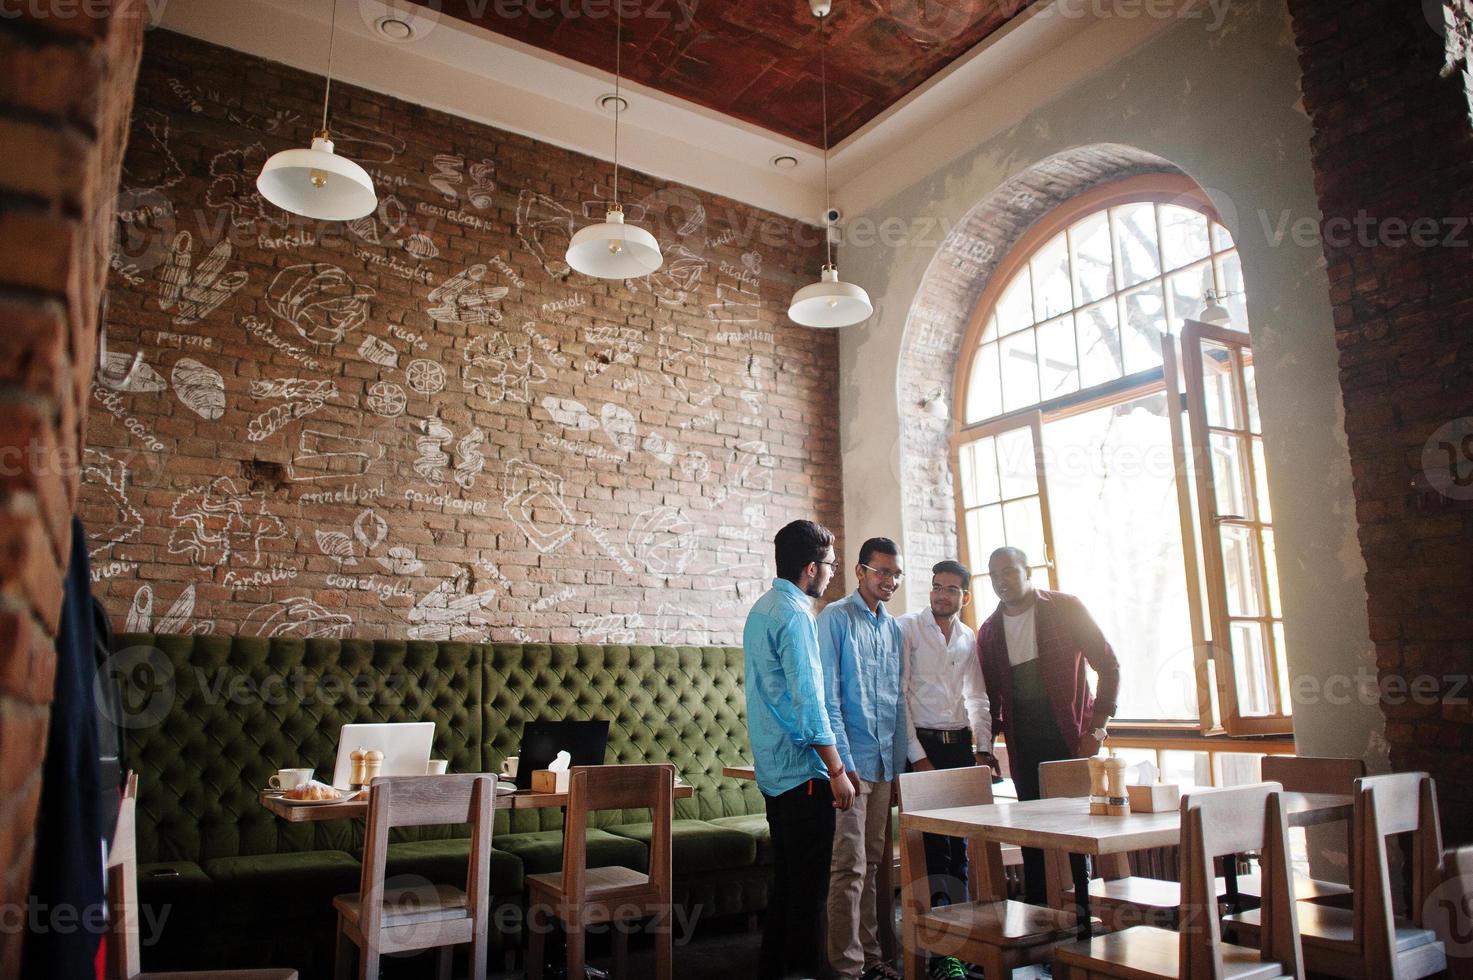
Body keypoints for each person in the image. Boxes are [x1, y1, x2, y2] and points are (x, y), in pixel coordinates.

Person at [976, 546, 1121, 906]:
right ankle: (1041, 923)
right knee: (1033, 838)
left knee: (1077, 835)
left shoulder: (1065, 608)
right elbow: (991, 698)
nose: (1001, 581)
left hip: (1071, 740)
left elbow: (1109, 665)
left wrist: (1097, 730)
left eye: (1009, 571)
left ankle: (1084, 917)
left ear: (1029, 572)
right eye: (994, 576)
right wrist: (985, 748)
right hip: (1024, 749)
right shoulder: (990, 630)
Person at [744, 519, 856, 980]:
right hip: (804, 773)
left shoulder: (761, 608)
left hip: (773, 772)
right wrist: (837, 769)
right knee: (808, 891)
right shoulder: (794, 615)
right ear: (811, 568)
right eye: (829, 565)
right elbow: (810, 704)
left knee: (787, 883)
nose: (832, 574)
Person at [818, 537, 907, 980]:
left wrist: (899, 767)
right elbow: (828, 700)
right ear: (860, 571)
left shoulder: (894, 629)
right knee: (849, 868)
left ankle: (872, 960)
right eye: (881, 572)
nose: (889, 580)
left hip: (885, 765)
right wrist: (845, 766)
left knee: (875, 866)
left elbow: (897, 703)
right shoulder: (834, 619)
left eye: (895, 574)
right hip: (850, 767)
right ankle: (846, 968)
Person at [898, 560, 989, 980]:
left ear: (964, 598)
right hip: (924, 747)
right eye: (936, 587)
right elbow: (898, 697)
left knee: (961, 852)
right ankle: (941, 956)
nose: (941, 595)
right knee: (934, 852)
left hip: (961, 749)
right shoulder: (908, 628)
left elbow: (978, 698)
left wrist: (984, 751)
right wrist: (917, 755)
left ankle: (965, 945)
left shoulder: (969, 638)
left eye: (951, 589)